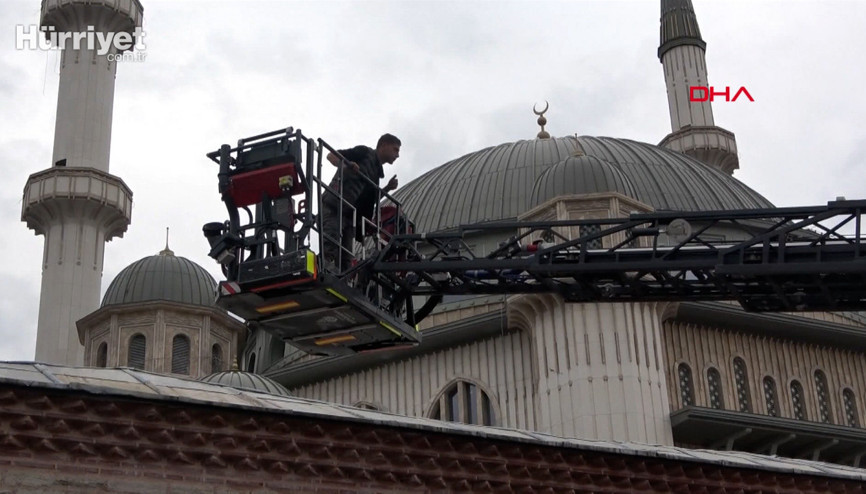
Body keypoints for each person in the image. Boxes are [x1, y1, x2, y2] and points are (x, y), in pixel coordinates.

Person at [321, 133, 401, 271]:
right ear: (384, 145)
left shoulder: (375, 172)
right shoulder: (364, 153)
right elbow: (331, 155)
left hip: (349, 217)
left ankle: (340, 281)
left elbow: (372, 198)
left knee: (346, 260)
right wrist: (345, 165)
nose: (397, 155)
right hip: (334, 208)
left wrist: (387, 188)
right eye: (395, 149)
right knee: (330, 247)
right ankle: (324, 270)